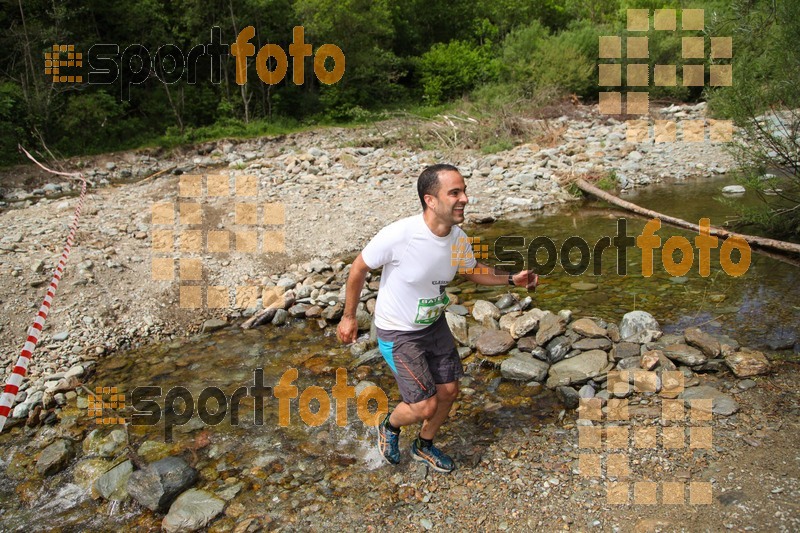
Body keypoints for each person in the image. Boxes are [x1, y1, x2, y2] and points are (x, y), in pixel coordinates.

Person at [336, 164, 538, 473]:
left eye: (464, 191)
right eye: (455, 192)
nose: (465, 199)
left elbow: (471, 270)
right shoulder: (399, 235)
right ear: (431, 200)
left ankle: (424, 445)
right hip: (399, 331)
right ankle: (389, 427)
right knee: (423, 405)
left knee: (448, 391)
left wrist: (512, 279)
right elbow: (358, 268)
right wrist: (349, 317)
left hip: (434, 324)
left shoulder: (458, 238)